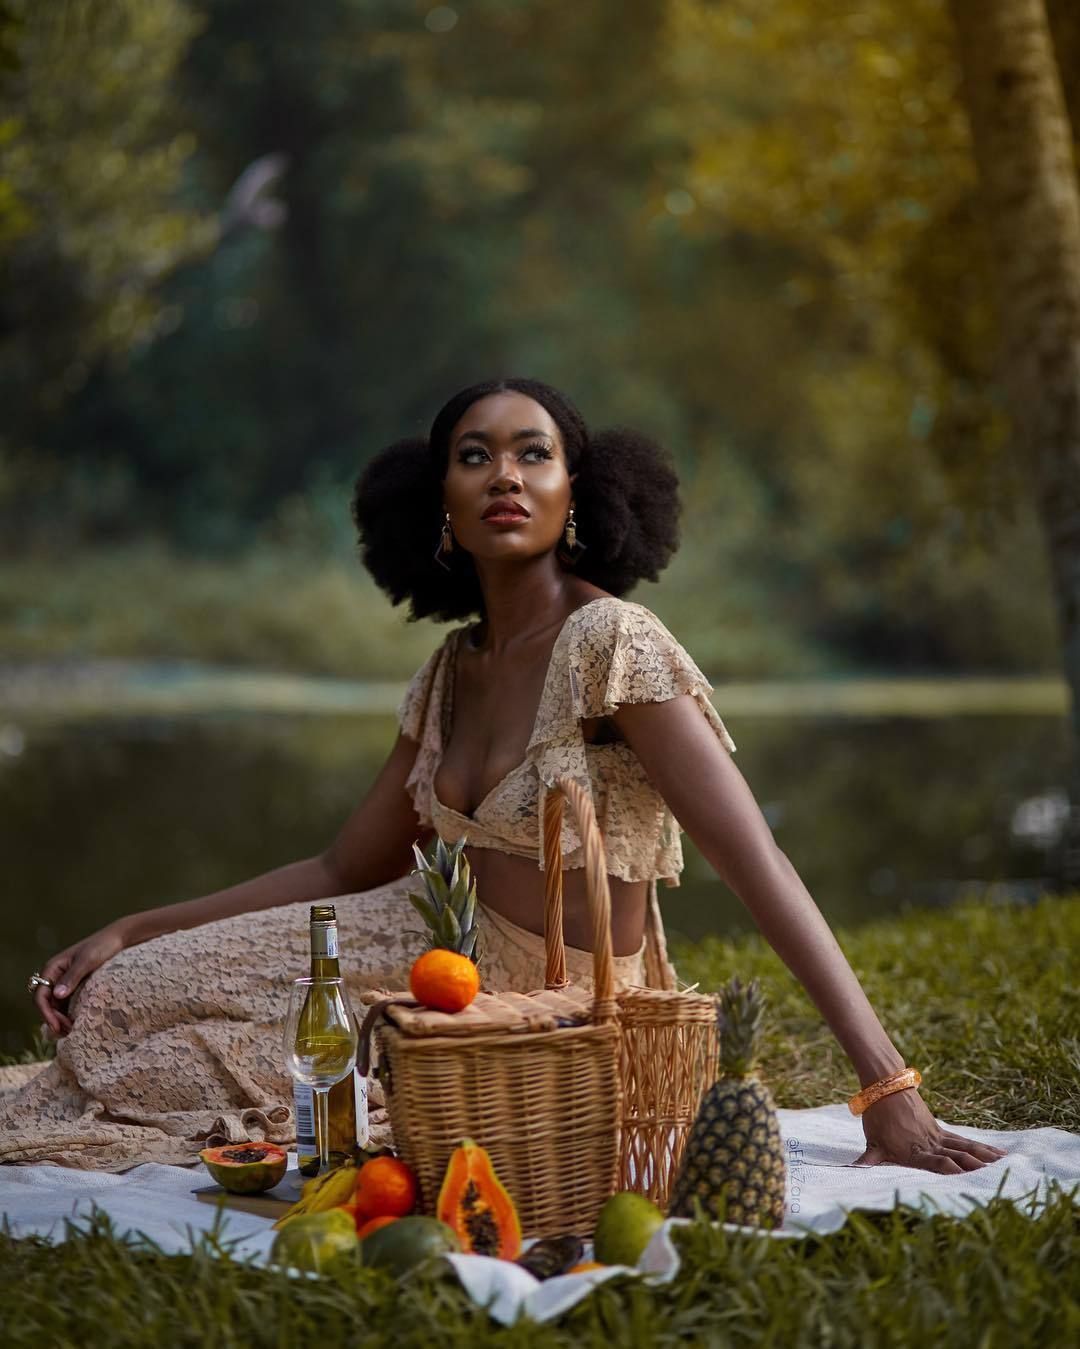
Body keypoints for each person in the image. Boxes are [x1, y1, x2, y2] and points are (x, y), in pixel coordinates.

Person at [9, 377, 1005, 1176]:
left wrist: (889, 1088)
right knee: (119, 998)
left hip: (551, 998)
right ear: (439, 501)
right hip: (420, 940)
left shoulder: (613, 641)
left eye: (535, 452)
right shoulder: (451, 670)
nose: (506, 474)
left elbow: (759, 860)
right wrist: (136, 926)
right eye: (474, 455)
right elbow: (340, 864)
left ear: (579, 491)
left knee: (137, 1060)